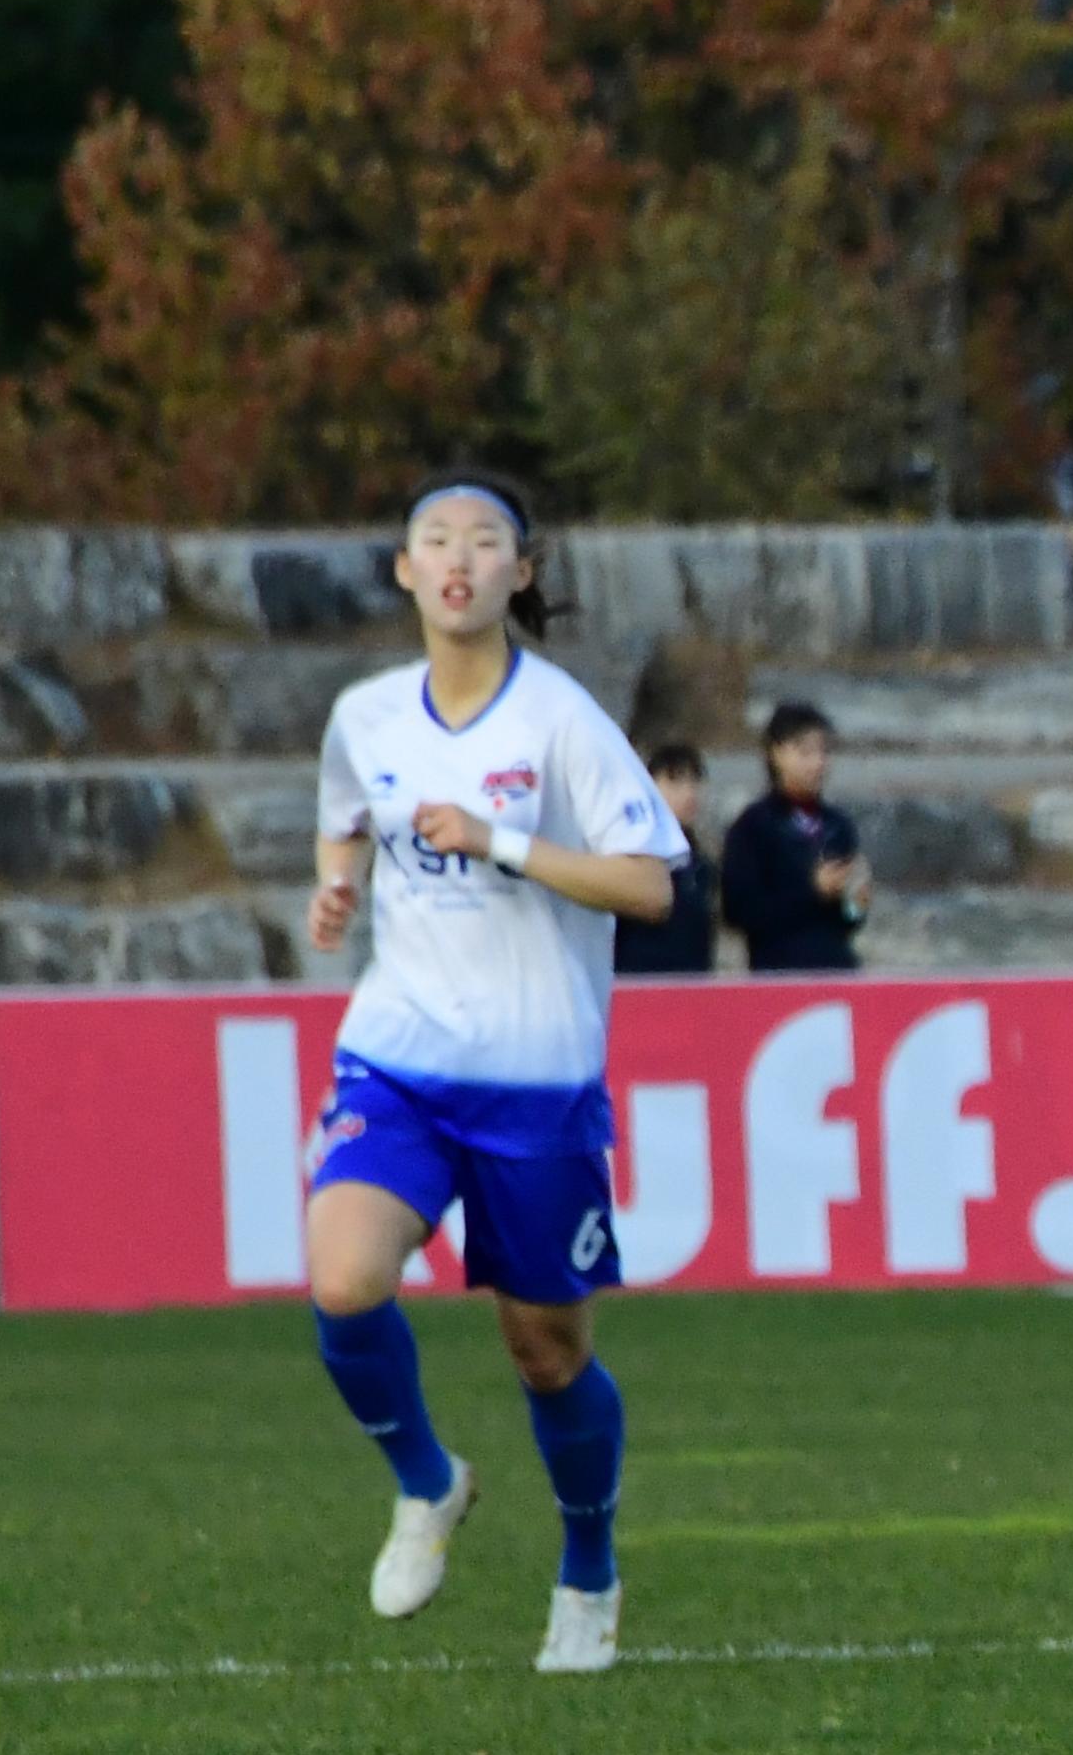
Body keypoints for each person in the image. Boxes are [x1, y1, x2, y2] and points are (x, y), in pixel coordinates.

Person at [298, 474, 686, 1678]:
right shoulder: (366, 714)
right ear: (405, 570)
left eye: (485, 540)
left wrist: (505, 841)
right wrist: (339, 885)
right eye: (434, 539)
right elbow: (345, 810)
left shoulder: (560, 720)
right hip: (400, 1057)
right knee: (346, 1278)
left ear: (523, 572)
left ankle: (588, 1567)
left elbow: (652, 884)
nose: (458, 558)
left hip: (537, 1080)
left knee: (546, 1354)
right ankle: (428, 1481)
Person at [718, 701, 866, 972]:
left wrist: (856, 901)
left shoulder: (837, 824)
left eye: (823, 752)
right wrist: (812, 891)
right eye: (805, 752)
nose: (818, 763)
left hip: (837, 970)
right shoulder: (753, 826)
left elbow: (850, 921)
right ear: (776, 753)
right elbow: (738, 911)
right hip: (779, 973)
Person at [614, 743, 718, 975]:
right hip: (638, 985)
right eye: (675, 782)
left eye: (695, 781)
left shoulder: (700, 863)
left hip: (691, 988)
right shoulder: (631, 854)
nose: (689, 793)